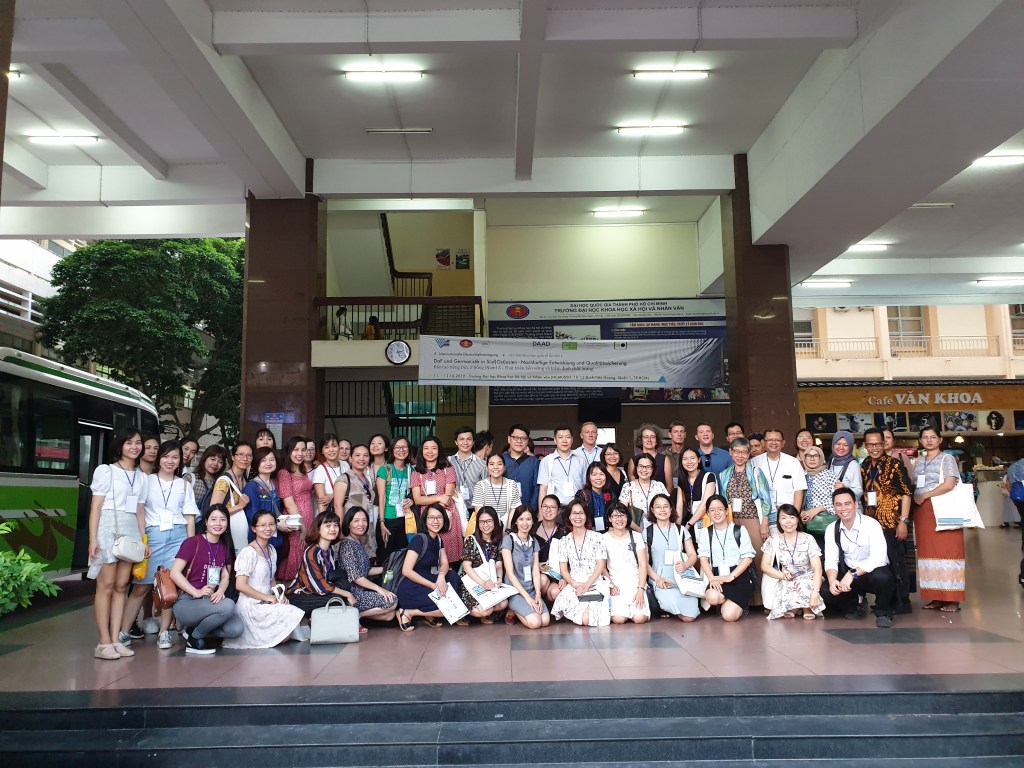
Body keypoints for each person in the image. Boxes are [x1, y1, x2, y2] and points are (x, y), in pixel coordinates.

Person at [119, 440, 199, 651]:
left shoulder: (184, 485)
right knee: (142, 586)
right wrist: (142, 538)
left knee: (170, 586)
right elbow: (139, 511)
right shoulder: (147, 480)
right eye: (166, 456)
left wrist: (190, 547)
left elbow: (189, 517)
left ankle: (164, 631)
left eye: (174, 457)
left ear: (180, 460)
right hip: (153, 536)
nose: (170, 461)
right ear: (158, 458)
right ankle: (123, 631)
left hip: (178, 536)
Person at [88, 429, 148, 660]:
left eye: (138, 443)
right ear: (120, 445)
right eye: (129, 443)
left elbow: (140, 510)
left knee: (122, 586)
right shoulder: (106, 471)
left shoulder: (141, 476)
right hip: (108, 527)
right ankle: (103, 642)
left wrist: (143, 539)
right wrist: (93, 539)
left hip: (130, 530)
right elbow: (96, 507)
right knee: (106, 585)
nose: (134, 447)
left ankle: (115, 639)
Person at [224, 511, 307, 648]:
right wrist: (268, 597)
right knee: (287, 624)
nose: (268, 528)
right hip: (251, 605)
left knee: (290, 615)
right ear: (254, 529)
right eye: (262, 525)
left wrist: (279, 596)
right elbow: (240, 585)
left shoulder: (271, 550)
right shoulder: (248, 552)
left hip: (267, 601)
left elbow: (271, 579)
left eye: (271, 524)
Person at [169, 504, 243, 654]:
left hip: (208, 602)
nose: (218, 523)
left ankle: (193, 630)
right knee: (228, 606)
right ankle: (195, 638)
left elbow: (225, 576)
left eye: (223, 519)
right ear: (206, 522)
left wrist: (221, 590)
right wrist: (196, 592)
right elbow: (174, 573)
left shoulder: (224, 546)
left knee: (236, 629)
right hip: (187, 602)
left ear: (227, 523)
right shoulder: (193, 542)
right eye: (213, 519)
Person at [820, 488, 896, 628]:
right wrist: (832, 581)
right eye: (838, 504)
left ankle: (883, 612)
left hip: (871, 572)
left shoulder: (871, 524)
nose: (843, 508)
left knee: (882, 577)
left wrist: (852, 574)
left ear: (855, 504)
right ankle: (855, 603)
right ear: (834, 507)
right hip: (850, 574)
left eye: (847, 503)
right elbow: (831, 560)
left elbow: (878, 559)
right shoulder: (832, 528)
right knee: (825, 590)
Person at [861, 428, 914, 614]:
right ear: (865, 446)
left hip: (892, 521)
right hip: (871, 523)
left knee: (896, 562)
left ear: (884, 444)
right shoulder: (865, 465)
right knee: (879, 563)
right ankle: (884, 600)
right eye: (870, 445)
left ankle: (901, 602)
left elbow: (907, 493)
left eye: (878, 444)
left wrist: (903, 521)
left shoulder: (895, 465)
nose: (874, 448)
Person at [912, 427, 965, 612]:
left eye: (933, 437)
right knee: (928, 553)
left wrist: (925, 495)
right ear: (920, 441)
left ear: (940, 440)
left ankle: (952, 599)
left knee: (948, 552)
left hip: (943, 509)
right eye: (925, 437)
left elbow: (949, 484)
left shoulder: (947, 458)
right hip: (922, 511)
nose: (929, 440)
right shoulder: (919, 462)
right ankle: (935, 596)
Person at [716, 438, 772, 604]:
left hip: (752, 519)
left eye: (744, 452)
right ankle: (742, 600)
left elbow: (766, 499)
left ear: (749, 454)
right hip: (732, 521)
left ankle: (762, 600)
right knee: (736, 559)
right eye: (736, 452)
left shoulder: (756, 472)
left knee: (757, 557)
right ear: (731, 453)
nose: (740, 456)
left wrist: (764, 524)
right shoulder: (724, 474)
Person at [396, 504, 462, 631]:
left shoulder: (438, 539)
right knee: (449, 607)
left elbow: (445, 564)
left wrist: (441, 577)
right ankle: (408, 612)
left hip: (431, 580)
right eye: (431, 518)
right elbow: (406, 570)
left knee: (453, 576)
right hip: (413, 587)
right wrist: (432, 585)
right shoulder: (418, 540)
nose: (435, 521)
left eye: (439, 517)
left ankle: (428, 614)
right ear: (425, 520)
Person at [551, 499, 611, 627]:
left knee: (588, 619)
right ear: (568, 516)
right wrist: (573, 583)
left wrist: (587, 585)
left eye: (581, 513)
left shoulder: (597, 537)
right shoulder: (564, 541)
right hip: (575, 584)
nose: (577, 517)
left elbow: (601, 566)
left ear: (586, 515)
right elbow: (564, 570)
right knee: (583, 618)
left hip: (595, 583)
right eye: (574, 513)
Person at [697, 494, 756, 622]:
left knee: (729, 616)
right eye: (712, 510)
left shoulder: (739, 530)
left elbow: (748, 558)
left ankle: (738, 605)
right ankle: (729, 602)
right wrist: (711, 578)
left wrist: (732, 576)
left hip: (739, 576)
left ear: (726, 511)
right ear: (708, 513)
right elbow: (703, 558)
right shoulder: (705, 533)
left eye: (720, 509)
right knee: (712, 596)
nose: (716, 513)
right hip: (719, 578)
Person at [760, 503, 824, 620]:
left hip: (807, 575)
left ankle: (806, 607)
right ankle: (796, 607)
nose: (788, 521)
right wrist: (782, 575)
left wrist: (816, 591)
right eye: (783, 518)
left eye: (792, 517)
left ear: (797, 520)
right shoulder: (773, 540)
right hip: (785, 575)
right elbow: (764, 565)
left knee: (804, 582)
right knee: (787, 583)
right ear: (779, 521)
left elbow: (817, 568)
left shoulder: (808, 539)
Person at [337, 507, 399, 623]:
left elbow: (366, 570)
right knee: (393, 601)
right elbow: (356, 577)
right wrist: (379, 589)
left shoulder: (358, 542)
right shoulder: (347, 545)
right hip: (353, 593)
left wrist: (387, 568)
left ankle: (358, 615)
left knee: (390, 615)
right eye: (356, 521)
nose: (361, 524)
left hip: (363, 589)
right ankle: (355, 616)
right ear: (348, 524)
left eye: (364, 520)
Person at [645, 493, 699, 622]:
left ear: (671, 509)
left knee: (690, 617)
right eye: (658, 507)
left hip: (683, 580)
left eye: (665, 506)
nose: (662, 510)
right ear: (652, 510)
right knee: (677, 608)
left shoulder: (681, 530)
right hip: (662, 581)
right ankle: (668, 607)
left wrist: (686, 564)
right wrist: (657, 579)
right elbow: (644, 563)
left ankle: (674, 610)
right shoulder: (648, 532)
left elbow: (693, 555)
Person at [410, 436, 462, 565]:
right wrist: (439, 497)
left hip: (446, 516)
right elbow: (417, 499)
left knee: (450, 556)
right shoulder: (416, 473)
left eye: (434, 448)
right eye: (426, 448)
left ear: (439, 450)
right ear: (421, 451)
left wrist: (431, 501)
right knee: (430, 553)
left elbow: (447, 498)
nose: (430, 451)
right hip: (427, 518)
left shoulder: (448, 469)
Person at [241, 446, 294, 564]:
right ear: (256, 463)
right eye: (263, 460)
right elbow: (253, 515)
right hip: (260, 537)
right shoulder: (252, 486)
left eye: (271, 459)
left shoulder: (274, 485)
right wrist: (275, 525)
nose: (268, 463)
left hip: (276, 537)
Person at [456, 506, 508, 624]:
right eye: (482, 522)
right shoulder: (471, 540)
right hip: (472, 582)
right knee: (484, 611)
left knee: (503, 604)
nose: (485, 525)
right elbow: (467, 567)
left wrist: (499, 579)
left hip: (490, 581)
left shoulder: (498, 541)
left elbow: (498, 564)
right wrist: (483, 583)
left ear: (495, 522)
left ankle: (485, 613)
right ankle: (465, 613)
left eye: (489, 521)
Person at [502, 505, 551, 629]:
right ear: (516, 521)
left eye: (528, 519)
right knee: (535, 623)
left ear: (533, 521)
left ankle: (526, 609)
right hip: (515, 591)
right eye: (521, 519)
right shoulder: (509, 540)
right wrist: (528, 599)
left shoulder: (533, 542)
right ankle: (513, 609)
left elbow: (535, 571)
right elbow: (510, 574)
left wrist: (538, 594)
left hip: (531, 590)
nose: (525, 523)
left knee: (545, 620)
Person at [603, 502, 650, 624]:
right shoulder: (603, 539)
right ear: (609, 519)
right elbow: (602, 567)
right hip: (616, 585)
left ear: (628, 517)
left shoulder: (636, 536)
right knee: (618, 619)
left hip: (635, 583)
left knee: (639, 618)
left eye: (622, 515)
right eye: (615, 516)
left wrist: (640, 589)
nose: (619, 519)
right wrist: (611, 585)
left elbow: (643, 564)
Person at [276, 436, 315, 582]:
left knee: (305, 552)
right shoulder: (284, 473)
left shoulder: (303, 470)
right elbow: (289, 502)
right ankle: (291, 586)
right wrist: (302, 526)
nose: (300, 453)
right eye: (296, 450)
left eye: (303, 450)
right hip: (295, 521)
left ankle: (303, 585)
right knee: (296, 551)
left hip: (308, 518)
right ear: (289, 451)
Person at [751, 429, 807, 527]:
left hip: (787, 513)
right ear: (763, 442)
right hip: (762, 515)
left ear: (783, 443)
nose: (774, 442)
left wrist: (795, 516)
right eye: (770, 440)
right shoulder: (754, 462)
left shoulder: (793, 462)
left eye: (777, 440)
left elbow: (798, 490)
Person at [333, 444, 377, 561]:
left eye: (365, 455)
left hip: (365, 529)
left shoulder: (367, 479)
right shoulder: (344, 479)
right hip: (350, 531)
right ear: (350, 458)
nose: (362, 458)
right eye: (357, 455)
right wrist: (341, 530)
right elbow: (337, 506)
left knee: (365, 563)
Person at [210, 442, 253, 556]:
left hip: (238, 532)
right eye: (241, 454)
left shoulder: (244, 480)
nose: (245, 458)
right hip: (224, 533)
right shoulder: (224, 481)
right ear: (233, 457)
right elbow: (214, 510)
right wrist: (240, 506)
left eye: (249, 455)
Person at [376, 436, 414, 560]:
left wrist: (412, 500)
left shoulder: (411, 470)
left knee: (401, 557)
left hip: (405, 519)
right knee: (386, 557)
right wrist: (382, 522)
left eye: (404, 447)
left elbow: (415, 493)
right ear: (392, 450)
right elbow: (381, 497)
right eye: (397, 447)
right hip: (388, 519)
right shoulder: (385, 469)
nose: (401, 450)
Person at [538, 425, 586, 505]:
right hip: (556, 508)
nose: (564, 440)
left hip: (578, 507)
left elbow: (586, 486)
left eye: (568, 437)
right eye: (560, 437)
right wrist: (541, 511)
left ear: (572, 440)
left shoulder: (581, 460)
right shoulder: (546, 461)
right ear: (555, 440)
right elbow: (543, 489)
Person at [801, 446, 842, 538]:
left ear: (821, 458)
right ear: (804, 458)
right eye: (809, 456)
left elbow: (838, 499)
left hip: (826, 522)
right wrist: (803, 512)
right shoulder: (801, 476)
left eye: (816, 456)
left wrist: (817, 509)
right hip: (807, 524)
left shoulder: (829, 476)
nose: (812, 459)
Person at [619, 453, 667, 530]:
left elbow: (667, 509)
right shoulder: (628, 487)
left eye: (648, 467)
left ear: (653, 469)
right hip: (636, 530)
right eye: (641, 466)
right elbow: (622, 513)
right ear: (636, 468)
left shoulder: (659, 486)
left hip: (659, 529)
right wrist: (640, 531)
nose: (644, 470)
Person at [473, 453, 521, 529]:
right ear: (487, 467)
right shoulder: (480, 485)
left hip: (506, 526)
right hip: (486, 527)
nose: (495, 467)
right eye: (492, 464)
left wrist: (508, 529)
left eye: (499, 464)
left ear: (504, 467)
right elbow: (478, 510)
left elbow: (514, 509)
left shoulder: (512, 485)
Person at [534, 495, 568, 602]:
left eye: (552, 507)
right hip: (537, 573)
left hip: (557, 574)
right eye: (545, 506)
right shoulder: (532, 529)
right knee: (542, 580)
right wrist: (536, 565)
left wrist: (566, 577)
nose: (548, 510)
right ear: (541, 508)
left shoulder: (564, 532)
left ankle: (548, 606)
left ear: (558, 511)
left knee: (555, 592)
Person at [675, 447, 717, 530]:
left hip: (705, 522)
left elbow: (705, 504)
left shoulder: (709, 477)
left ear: (699, 460)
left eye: (692, 458)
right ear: (681, 462)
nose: (689, 462)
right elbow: (679, 506)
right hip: (689, 520)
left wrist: (688, 525)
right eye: (685, 459)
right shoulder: (682, 480)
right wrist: (677, 528)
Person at [627, 424, 674, 494]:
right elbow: (633, 487)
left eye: (652, 437)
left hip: (661, 499)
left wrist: (661, 500)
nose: (649, 440)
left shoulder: (664, 459)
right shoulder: (633, 460)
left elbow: (670, 486)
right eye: (646, 437)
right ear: (641, 440)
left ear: (657, 440)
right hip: (639, 500)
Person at [450, 426, 487, 514]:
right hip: (454, 507)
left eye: (469, 439)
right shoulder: (449, 462)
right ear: (456, 442)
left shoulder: (482, 464)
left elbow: (486, 488)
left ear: (473, 442)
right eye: (461, 439)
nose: (465, 442)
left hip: (475, 509)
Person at [503, 423, 540, 511]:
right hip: (503, 510)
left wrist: (530, 511)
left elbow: (536, 489)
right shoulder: (500, 460)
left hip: (526, 512)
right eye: (516, 437)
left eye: (523, 438)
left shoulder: (534, 462)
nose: (519, 441)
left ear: (527, 441)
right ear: (509, 439)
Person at [191, 444, 227, 531]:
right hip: (190, 524)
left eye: (220, 462)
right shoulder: (190, 478)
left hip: (210, 527)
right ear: (204, 459)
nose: (216, 464)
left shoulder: (221, 482)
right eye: (213, 459)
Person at [576, 462, 616, 533]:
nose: (598, 478)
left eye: (601, 474)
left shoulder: (610, 493)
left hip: (608, 531)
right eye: (594, 474)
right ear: (589, 477)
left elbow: (615, 514)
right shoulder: (582, 495)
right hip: (588, 532)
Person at [310, 433, 345, 513]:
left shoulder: (345, 465)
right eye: (327, 447)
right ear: (322, 451)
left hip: (346, 511)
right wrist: (324, 519)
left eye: (334, 446)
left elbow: (352, 490)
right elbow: (322, 501)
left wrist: (333, 496)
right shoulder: (320, 470)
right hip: (330, 514)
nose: (331, 450)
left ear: (339, 447)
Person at [828, 430, 863, 509]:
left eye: (845, 445)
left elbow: (859, 491)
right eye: (838, 444)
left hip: (850, 509)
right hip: (835, 508)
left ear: (850, 447)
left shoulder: (853, 465)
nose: (841, 447)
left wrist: (845, 488)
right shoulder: (832, 460)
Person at [664, 421, 687, 487]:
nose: (679, 434)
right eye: (675, 432)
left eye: (681, 431)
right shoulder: (662, 456)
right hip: (667, 490)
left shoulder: (691, 454)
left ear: (685, 435)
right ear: (670, 435)